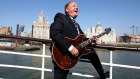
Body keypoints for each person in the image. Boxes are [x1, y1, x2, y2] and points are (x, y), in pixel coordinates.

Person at [50, 1, 106, 79]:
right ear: (67, 9)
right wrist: (70, 48)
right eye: (74, 6)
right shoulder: (60, 17)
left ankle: (102, 75)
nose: (77, 7)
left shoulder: (77, 25)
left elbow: (82, 39)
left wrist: (91, 39)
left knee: (92, 52)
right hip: (62, 55)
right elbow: (54, 33)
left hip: (75, 53)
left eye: (77, 7)